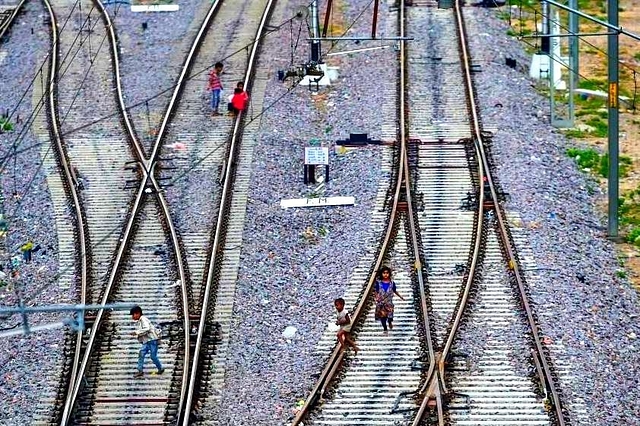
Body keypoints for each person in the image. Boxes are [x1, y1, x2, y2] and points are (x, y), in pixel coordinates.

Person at [130, 305, 164, 377]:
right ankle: (140, 370)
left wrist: (137, 332)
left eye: (133, 315)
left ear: (138, 313)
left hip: (152, 340)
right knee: (141, 354)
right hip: (147, 341)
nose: (132, 317)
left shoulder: (143, 319)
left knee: (153, 356)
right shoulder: (140, 321)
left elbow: (147, 328)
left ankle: (160, 368)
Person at [374, 266, 404, 333]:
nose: (385, 274)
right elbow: (376, 291)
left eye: (387, 273)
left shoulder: (392, 283)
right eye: (384, 273)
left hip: (389, 303)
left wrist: (401, 297)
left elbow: (394, 291)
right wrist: (376, 298)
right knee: (383, 317)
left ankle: (390, 322)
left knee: (390, 316)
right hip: (381, 303)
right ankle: (385, 328)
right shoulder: (378, 283)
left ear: (389, 274)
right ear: (381, 274)